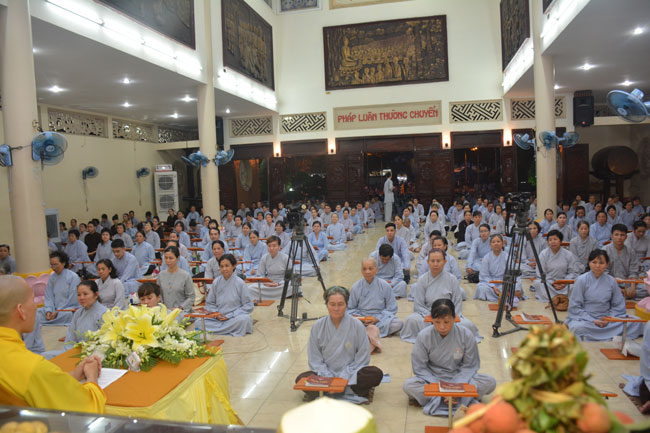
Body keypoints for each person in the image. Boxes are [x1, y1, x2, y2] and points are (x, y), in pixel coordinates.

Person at [0, 275, 106, 411]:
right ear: (21, 311)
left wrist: (74, 374)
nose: (36, 307)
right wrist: (92, 376)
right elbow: (89, 408)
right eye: (32, 300)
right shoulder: (33, 368)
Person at [402, 299, 496, 416]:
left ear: (454, 318)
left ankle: (439, 399)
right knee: (409, 385)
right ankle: (459, 399)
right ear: (431, 319)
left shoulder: (466, 335)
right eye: (437, 322)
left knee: (489, 382)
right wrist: (441, 387)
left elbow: (470, 366)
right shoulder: (423, 336)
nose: (442, 327)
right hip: (433, 378)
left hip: (459, 377)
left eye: (446, 322)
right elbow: (420, 368)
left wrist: (456, 386)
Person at [295, 286, 383, 403]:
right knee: (301, 379)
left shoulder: (357, 325)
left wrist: (343, 378)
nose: (336, 308)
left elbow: (362, 357)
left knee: (375, 373)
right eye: (332, 304)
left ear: (346, 305)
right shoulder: (318, 326)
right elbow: (315, 359)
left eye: (340, 304)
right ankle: (345, 391)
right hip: (324, 376)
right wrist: (329, 378)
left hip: (351, 375)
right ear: (326, 305)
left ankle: (331, 391)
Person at [401, 249, 480, 343]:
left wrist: (448, 317)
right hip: (428, 314)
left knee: (468, 325)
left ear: (445, 262)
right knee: (411, 320)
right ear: (428, 262)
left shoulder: (452, 279)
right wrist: (433, 316)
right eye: (432, 261)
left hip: (448, 315)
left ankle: (432, 335)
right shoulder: (422, 280)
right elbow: (418, 305)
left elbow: (457, 304)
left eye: (438, 261)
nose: (435, 264)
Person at [565, 249, 644, 341]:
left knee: (636, 322)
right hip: (586, 320)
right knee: (577, 328)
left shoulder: (611, 281)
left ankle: (594, 336)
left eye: (601, 263)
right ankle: (607, 335)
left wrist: (608, 319)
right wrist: (592, 320)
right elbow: (574, 307)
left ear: (607, 264)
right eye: (594, 262)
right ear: (589, 263)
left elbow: (618, 305)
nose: (597, 266)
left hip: (607, 319)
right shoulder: (581, 280)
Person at [23, 251, 80, 354]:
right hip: (53, 309)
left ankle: (52, 318)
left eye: (56, 264)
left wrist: (58, 311)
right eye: (51, 265)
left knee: (68, 314)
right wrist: (49, 310)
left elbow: (73, 299)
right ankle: (49, 317)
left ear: (63, 263)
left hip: (67, 309)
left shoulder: (73, 277)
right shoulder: (52, 277)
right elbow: (48, 296)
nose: (53, 267)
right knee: (36, 313)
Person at [43, 280, 108, 360]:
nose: (81, 298)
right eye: (79, 295)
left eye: (85, 294)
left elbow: (106, 343)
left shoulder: (104, 314)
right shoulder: (78, 313)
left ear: (96, 295)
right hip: (75, 353)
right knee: (45, 356)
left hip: (94, 356)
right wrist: (70, 355)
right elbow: (70, 339)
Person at [348, 258, 403, 353]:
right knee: (347, 324)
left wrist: (377, 319)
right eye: (364, 269)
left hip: (380, 318)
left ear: (376, 270)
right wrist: (361, 318)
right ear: (361, 270)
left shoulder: (385, 285)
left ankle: (368, 333)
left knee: (398, 323)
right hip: (362, 319)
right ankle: (375, 333)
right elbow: (350, 308)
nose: (367, 272)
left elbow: (392, 308)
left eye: (370, 268)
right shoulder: (356, 287)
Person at [203, 254, 254, 336]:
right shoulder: (216, 282)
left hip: (234, 317)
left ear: (233, 266)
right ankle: (228, 329)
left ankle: (220, 329)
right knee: (199, 322)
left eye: (227, 266)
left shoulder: (240, 283)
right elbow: (210, 303)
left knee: (245, 319)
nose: (224, 269)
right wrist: (216, 314)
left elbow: (248, 305)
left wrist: (230, 315)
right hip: (218, 318)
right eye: (221, 266)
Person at [531, 230, 582, 302]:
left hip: (565, 283)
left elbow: (573, 272)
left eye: (555, 239)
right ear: (548, 242)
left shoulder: (568, 254)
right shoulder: (543, 254)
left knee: (577, 282)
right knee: (538, 283)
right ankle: (556, 298)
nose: (553, 242)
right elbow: (540, 272)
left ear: (560, 241)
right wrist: (553, 283)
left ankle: (561, 297)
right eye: (550, 240)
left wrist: (564, 282)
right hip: (549, 283)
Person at [474, 234, 523, 306]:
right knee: (481, 288)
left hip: (505, 283)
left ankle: (508, 294)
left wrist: (506, 284)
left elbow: (512, 273)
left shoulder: (507, 256)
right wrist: (493, 286)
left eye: (498, 241)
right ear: (490, 245)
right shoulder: (486, 257)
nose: (496, 244)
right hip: (491, 283)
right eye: (493, 242)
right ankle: (507, 295)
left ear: (503, 244)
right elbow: (484, 276)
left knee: (518, 282)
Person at [604, 224, 644, 299]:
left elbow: (633, 271)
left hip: (627, 283)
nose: (619, 237)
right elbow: (604, 273)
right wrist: (616, 288)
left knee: (646, 288)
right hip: (610, 283)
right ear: (612, 236)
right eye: (616, 235)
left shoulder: (631, 251)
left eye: (622, 235)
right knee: (601, 288)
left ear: (626, 237)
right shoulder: (604, 250)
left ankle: (623, 294)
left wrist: (632, 286)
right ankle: (624, 294)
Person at [157, 246, 195, 313]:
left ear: (178, 258)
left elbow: (191, 297)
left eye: (171, 258)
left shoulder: (185, 275)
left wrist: (180, 308)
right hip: (165, 311)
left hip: (181, 311)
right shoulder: (161, 275)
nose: (168, 261)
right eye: (166, 258)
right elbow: (159, 295)